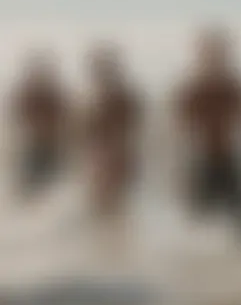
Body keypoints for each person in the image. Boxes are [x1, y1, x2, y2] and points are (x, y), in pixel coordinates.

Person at [174, 29, 241, 241]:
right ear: (201, 56)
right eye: (210, 54)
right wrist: (178, 170)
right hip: (203, 162)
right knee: (197, 226)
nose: (215, 59)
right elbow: (178, 133)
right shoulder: (192, 90)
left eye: (219, 54)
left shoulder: (234, 88)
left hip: (229, 161)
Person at [83, 44, 143, 216]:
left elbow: (130, 126)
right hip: (102, 158)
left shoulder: (124, 97)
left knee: (121, 208)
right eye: (99, 71)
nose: (101, 76)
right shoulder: (91, 101)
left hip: (117, 157)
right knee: (103, 210)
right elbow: (86, 134)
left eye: (105, 70)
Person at [9, 51, 70, 198]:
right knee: (30, 175)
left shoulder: (54, 92)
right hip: (34, 140)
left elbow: (62, 113)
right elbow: (20, 111)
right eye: (37, 71)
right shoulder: (27, 91)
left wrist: (53, 128)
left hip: (50, 140)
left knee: (52, 180)